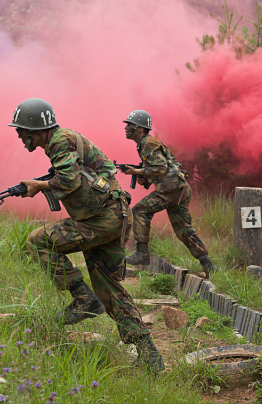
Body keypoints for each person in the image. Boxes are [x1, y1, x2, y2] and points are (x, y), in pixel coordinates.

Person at [11, 98, 164, 373]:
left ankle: (82, 299)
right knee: (110, 289)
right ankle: (150, 356)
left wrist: (39, 186)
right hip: (114, 218)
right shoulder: (63, 141)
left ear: (35, 129)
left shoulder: (59, 141)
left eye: (21, 131)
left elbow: (69, 180)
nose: (20, 136)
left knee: (37, 241)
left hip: (101, 220)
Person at [120, 110, 219, 277]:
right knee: (183, 229)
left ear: (140, 128)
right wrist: (144, 177)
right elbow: (161, 169)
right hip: (179, 189)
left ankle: (142, 253)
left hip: (171, 190)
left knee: (139, 210)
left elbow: (160, 168)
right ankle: (208, 265)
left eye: (129, 125)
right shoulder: (145, 143)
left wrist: (136, 171)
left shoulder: (148, 143)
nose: (126, 128)